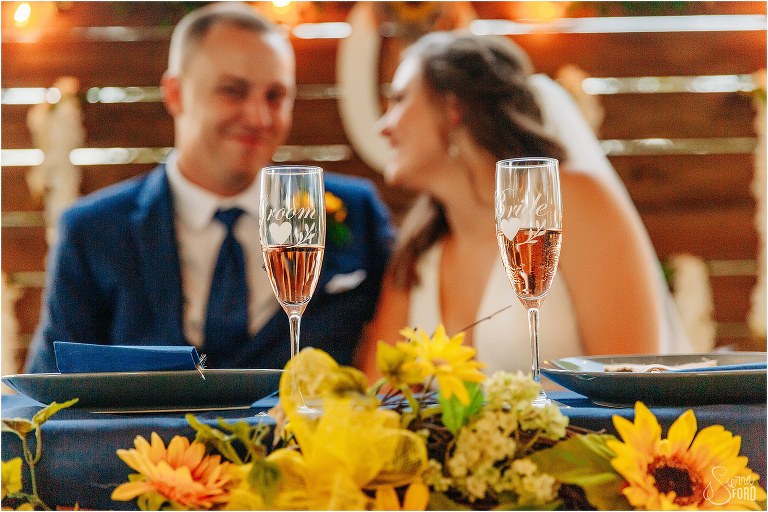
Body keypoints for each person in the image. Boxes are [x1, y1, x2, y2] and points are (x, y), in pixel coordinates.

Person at [25, 2, 393, 373]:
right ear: (175, 94)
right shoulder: (91, 232)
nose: (259, 118)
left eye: (275, 96)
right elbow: (48, 399)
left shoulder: (356, 211)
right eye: (233, 91)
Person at [356, 31, 689, 378]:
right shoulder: (416, 251)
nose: (383, 126)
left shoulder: (570, 204)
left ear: (453, 108)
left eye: (398, 100)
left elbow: (632, 383)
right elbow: (379, 398)